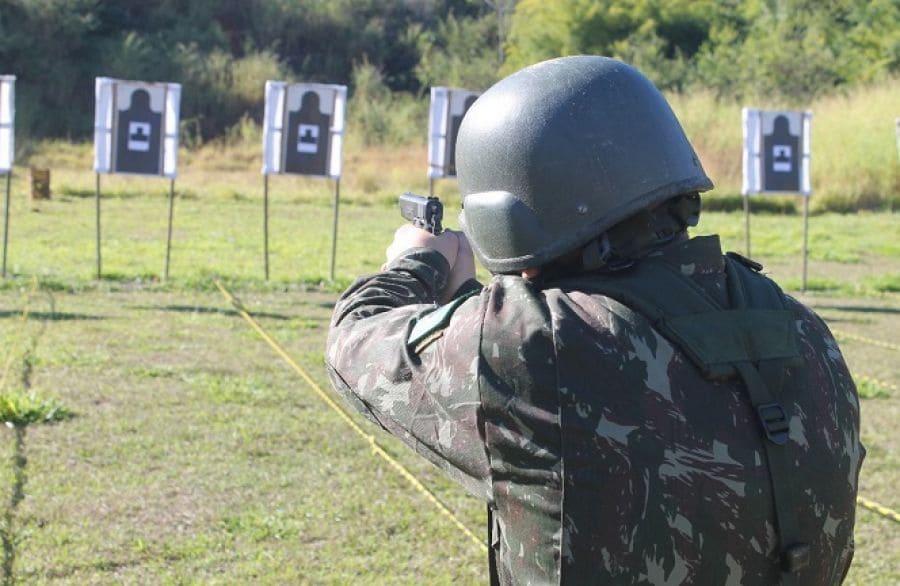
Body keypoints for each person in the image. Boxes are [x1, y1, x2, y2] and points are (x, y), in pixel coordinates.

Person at [326, 56, 864, 585]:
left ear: (510, 222)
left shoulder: (537, 343)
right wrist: (475, 302)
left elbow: (355, 342)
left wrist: (417, 260)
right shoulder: (803, 330)